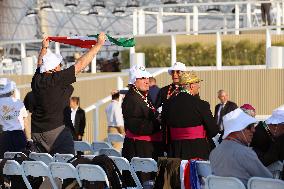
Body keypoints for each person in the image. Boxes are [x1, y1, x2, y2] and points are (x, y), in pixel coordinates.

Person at [31, 32, 106, 155]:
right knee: (65, 168)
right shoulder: (57, 79)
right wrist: (98, 44)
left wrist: (44, 47)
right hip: (57, 132)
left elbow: (40, 63)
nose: (61, 67)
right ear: (54, 68)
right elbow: (80, 65)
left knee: (44, 168)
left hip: (37, 132)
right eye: (59, 65)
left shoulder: (37, 79)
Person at [122, 64, 162, 188]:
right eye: (143, 78)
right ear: (134, 81)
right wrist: (158, 121)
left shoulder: (143, 96)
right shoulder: (131, 99)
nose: (147, 81)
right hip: (138, 149)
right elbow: (136, 126)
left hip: (145, 148)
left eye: (147, 78)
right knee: (141, 183)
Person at [162, 71, 218, 160]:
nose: (199, 86)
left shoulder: (167, 104)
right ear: (191, 86)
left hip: (174, 152)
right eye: (197, 83)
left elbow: (165, 130)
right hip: (197, 152)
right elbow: (213, 130)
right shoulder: (201, 104)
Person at [209, 108, 273, 185]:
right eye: (249, 126)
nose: (253, 130)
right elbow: (268, 179)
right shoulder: (245, 153)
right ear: (237, 129)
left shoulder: (214, 153)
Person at [0, 78, 32, 158]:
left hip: (3, 136)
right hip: (19, 136)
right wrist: (29, 139)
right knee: (20, 162)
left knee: (4, 163)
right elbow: (26, 123)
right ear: (11, 90)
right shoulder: (18, 102)